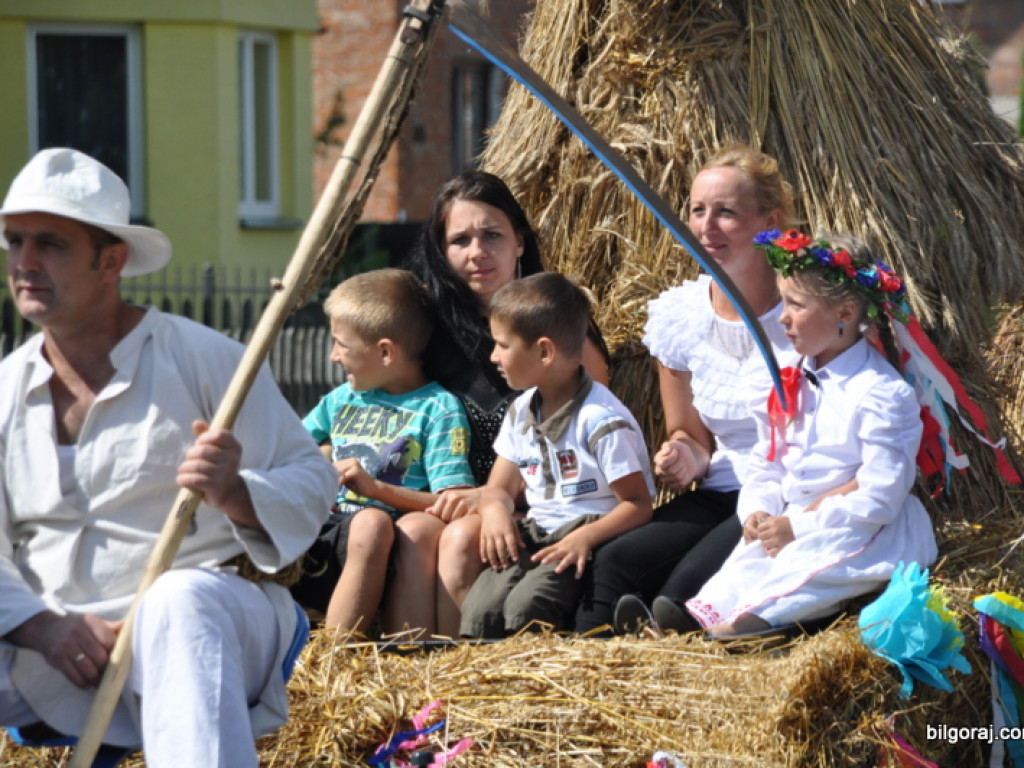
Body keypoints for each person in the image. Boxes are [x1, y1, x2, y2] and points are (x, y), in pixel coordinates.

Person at [0, 148, 337, 767]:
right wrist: (39, 625)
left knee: (176, 603)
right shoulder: (4, 390)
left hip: (207, 623)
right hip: (48, 647)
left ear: (112, 261)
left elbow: (313, 481)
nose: (24, 263)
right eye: (14, 241)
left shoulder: (204, 360)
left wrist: (236, 492)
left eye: (49, 244)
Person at [574, 144, 796, 635]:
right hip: (720, 490)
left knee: (684, 589)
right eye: (698, 211)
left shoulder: (805, 310)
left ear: (769, 221)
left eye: (726, 213)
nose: (706, 227)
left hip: (784, 495)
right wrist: (681, 456)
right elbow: (690, 436)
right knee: (614, 562)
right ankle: (581, 675)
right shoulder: (681, 316)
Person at [682, 230, 938, 636]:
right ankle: (724, 622)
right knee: (719, 595)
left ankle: (775, 624)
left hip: (863, 527)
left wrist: (798, 527)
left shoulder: (880, 393)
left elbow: (880, 498)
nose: (782, 317)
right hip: (791, 522)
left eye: (796, 305)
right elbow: (766, 463)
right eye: (783, 301)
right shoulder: (787, 375)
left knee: (786, 586)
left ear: (846, 313)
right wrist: (757, 511)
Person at [391, 170, 610, 637]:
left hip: (544, 507)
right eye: (460, 240)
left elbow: (592, 451)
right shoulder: (431, 335)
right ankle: (410, 682)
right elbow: (405, 422)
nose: (477, 252)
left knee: (457, 542)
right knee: (414, 534)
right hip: (448, 499)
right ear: (442, 251)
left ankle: (468, 679)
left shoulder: (566, 334)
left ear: (520, 243)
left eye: (492, 235)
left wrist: (495, 500)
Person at [458, 273, 655, 638]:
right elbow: (499, 488)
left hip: (585, 535)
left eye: (502, 345)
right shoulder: (520, 411)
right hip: (536, 532)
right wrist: (495, 513)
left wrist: (587, 538)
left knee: (527, 607)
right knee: (480, 608)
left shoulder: (600, 421)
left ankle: (532, 686)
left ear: (544, 352)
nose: (493, 356)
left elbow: (638, 504)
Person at [288, 269, 475, 634]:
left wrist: (376, 492)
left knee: (372, 523)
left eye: (341, 344)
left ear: (386, 352)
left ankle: (334, 659)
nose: (333, 356)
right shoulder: (341, 399)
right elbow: (287, 445)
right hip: (328, 531)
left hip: (381, 542)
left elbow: (451, 502)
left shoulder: (438, 410)